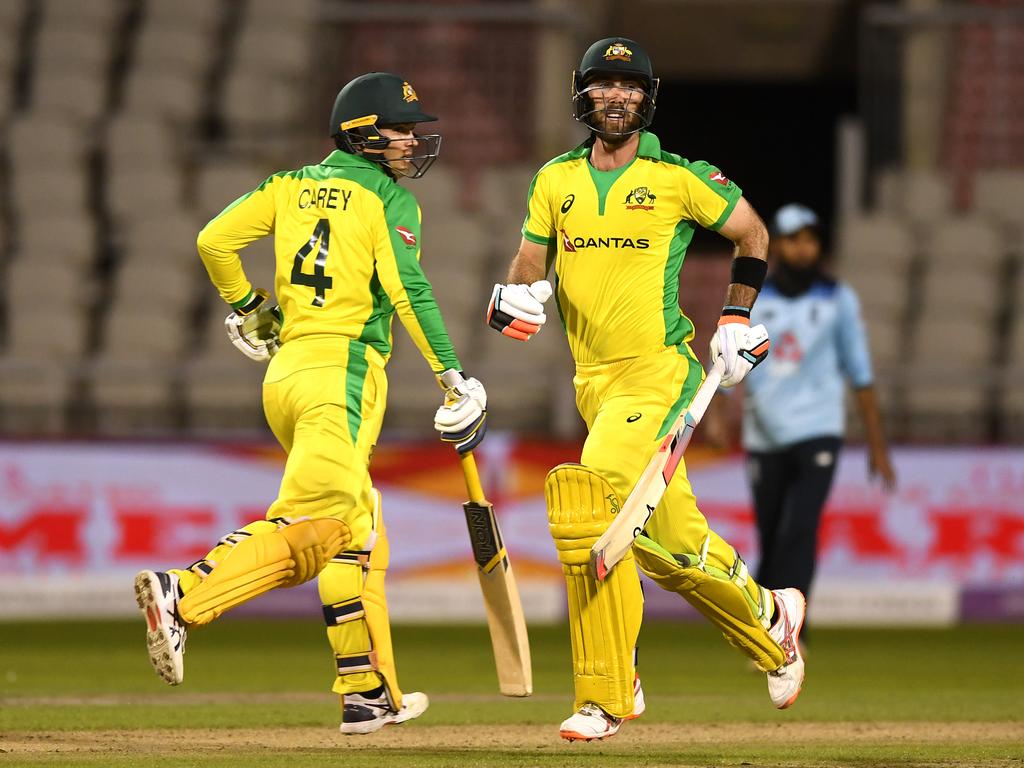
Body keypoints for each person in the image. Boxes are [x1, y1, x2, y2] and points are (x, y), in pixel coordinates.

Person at [133, 72, 488, 735]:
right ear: (362, 132)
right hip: (345, 374)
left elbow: (214, 240)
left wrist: (248, 309)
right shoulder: (388, 201)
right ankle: (188, 593)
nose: (413, 141)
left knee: (359, 533)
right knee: (320, 525)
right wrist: (452, 376)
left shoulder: (287, 184)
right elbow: (408, 290)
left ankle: (367, 692)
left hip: (286, 371)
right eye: (401, 129)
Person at [486, 37, 807, 742]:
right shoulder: (555, 180)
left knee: (590, 503)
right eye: (604, 84)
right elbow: (529, 259)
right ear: (584, 95)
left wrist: (734, 316)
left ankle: (608, 690)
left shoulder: (676, 177)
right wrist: (516, 296)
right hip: (594, 385)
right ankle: (770, 619)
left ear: (648, 98)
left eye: (631, 86)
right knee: (672, 547)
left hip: (660, 374)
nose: (618, 96)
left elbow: (752, 233)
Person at [742, 203, 897, 637]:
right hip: (764, 434)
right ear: (778, 244)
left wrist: (877, 447)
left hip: (818, 432)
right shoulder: (757, 298)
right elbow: (732, 362)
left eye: (810, 239)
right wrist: (719, 411)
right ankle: (766, 628)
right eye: (793, 239)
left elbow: (861, 375)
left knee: (800, 527)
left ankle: (793, 633)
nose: (803, 248)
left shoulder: (837, 299)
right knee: (772, 536)